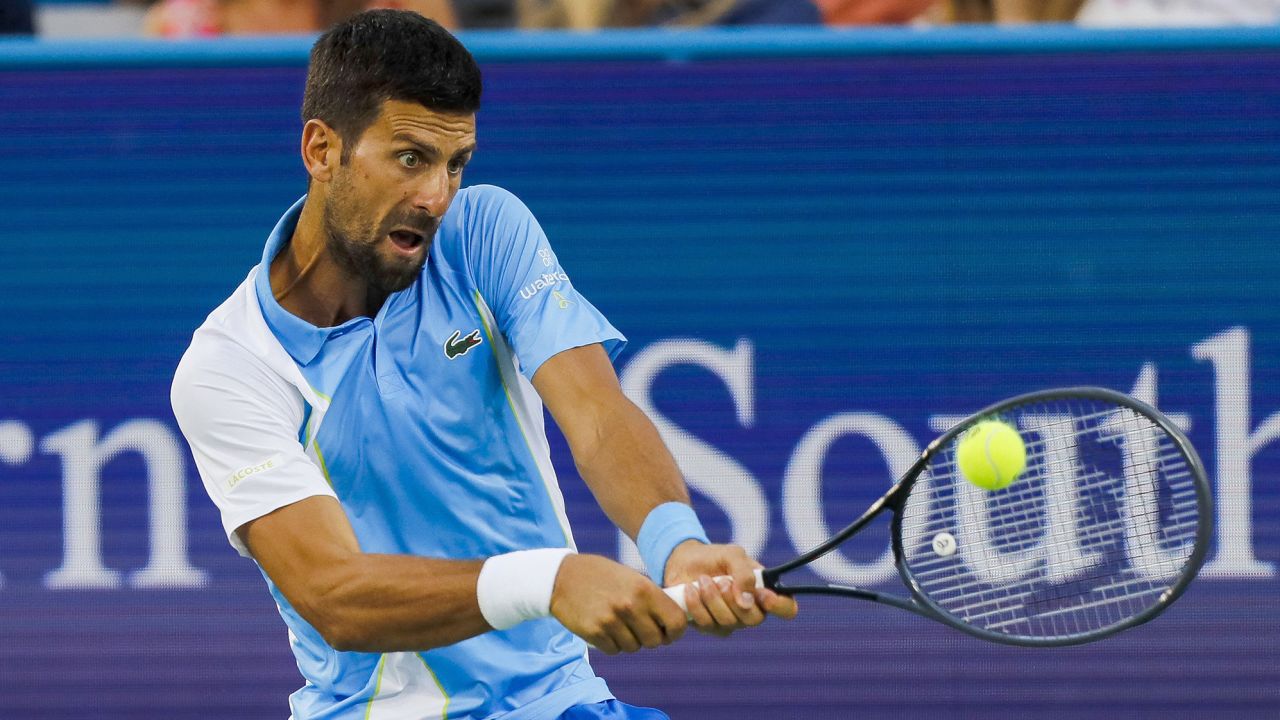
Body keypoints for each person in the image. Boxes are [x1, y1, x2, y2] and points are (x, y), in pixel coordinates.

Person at [170, 9, 796, 720]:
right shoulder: (231, 367)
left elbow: (594, 413)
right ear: (322, 150)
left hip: (560, 702)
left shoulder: (483, 231)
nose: (436, 195)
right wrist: (549, 581)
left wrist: (675, 544)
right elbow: (333, 592)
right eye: (410, 158)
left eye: (455, 163)